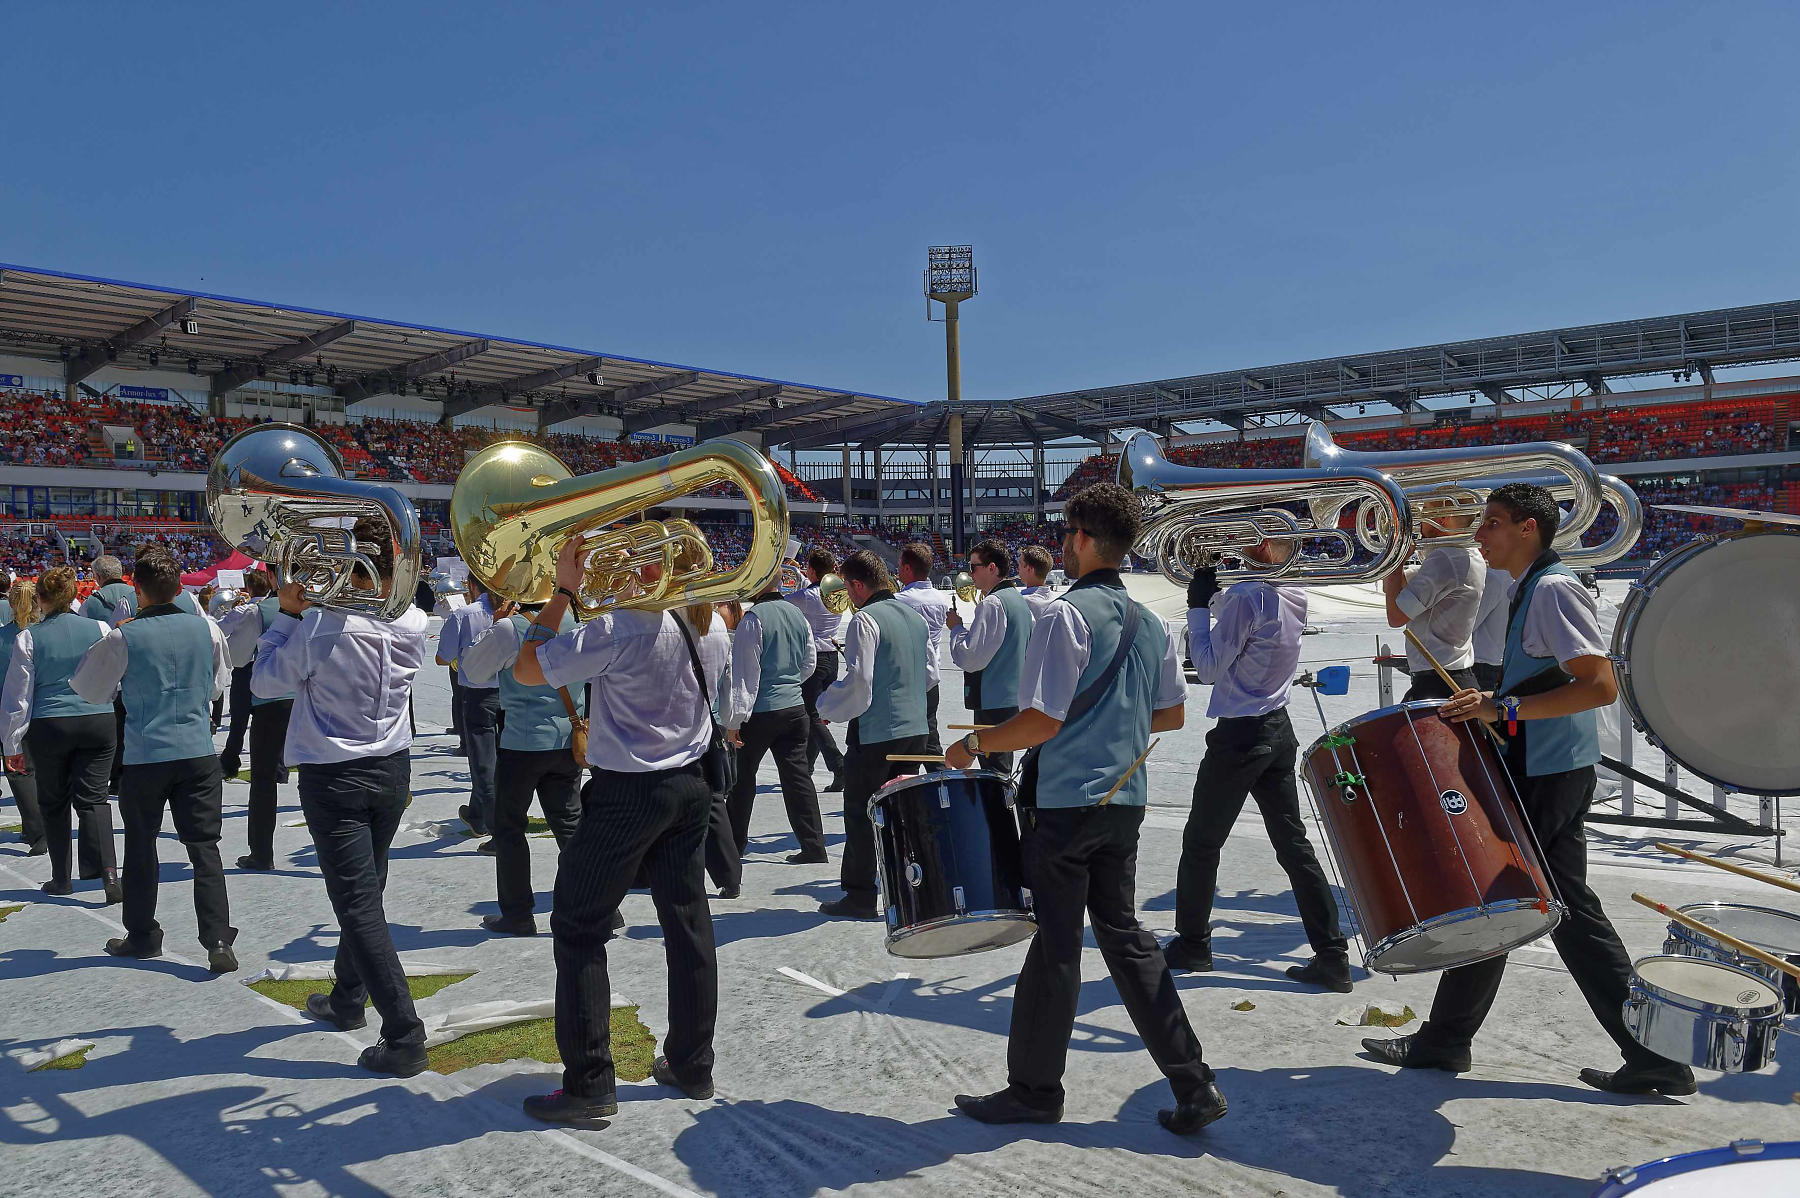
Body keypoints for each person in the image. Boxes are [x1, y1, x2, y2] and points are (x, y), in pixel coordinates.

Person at [1365, 482, 1697, 1096]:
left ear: (1527, 529)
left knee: (1536, 901)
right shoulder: (1528, 588)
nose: (1479, 533)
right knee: (1517, 896)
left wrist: (1504, 709)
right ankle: (1449, 1041)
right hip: (1547, 764)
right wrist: (1494, 706)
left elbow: (1599, 686)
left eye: (1491, 523)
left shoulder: (1552, 588)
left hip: (1549, 769)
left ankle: (1652, 1053)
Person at [945, 483, 1223, 1134]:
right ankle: (1195, 1081)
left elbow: (1041, 720)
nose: (1064, 545)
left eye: (1068, 535)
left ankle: (1035, 1090)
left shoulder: (1064, 615)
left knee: (1057, 947)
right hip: (1123, 802)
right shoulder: (1150, 620)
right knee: (1126, 939)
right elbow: (1175, 713)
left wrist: (975, 743)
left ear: (1083, 540)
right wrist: (1114, 722)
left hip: (1066, 805)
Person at [512, 536, 719, 1124]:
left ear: (656, 565)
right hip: (690, 785)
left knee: (577, 926)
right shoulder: (710, 623)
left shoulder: (621, 628)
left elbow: (529, 669)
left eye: (637, 559)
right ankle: (691, 1063)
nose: (625, 568)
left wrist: (566, 591)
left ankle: (589, 1084)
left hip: (628, 791)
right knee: (688, 924)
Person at [253, 516, 432, 1077]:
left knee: (358, 905)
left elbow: (263, 682)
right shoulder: (413, 620)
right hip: (392, 767)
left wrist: (286, 612)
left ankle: (403, 1031)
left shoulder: (321, 626)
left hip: (335, 775)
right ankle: (348, 996)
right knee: (369, 891)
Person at [1163, 541, 1352, 992]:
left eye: (1250, 537)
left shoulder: (1248, 597)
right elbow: (1250, 625)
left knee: (1201, 843)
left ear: (1266, 544)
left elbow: (1207, 669)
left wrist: (1196, 610)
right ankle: (1331, 953)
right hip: (1277, 728)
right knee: (1293, 845)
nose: (1239, 543)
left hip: (1240, 735)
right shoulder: (1294, 594)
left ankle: (1192, 941)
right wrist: (1215, 599)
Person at [71, 549, 235, 972]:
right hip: (197, 751)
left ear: (137, 591)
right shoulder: (208, 630)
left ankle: (142, 934)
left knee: (142, 846)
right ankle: (218, 940)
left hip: (147, 754)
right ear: (179, 588)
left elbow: (90, 689)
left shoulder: (123, 636)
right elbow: (219, 686)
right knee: (204, 848)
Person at [459, 595, 585, 936]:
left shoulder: (508, 628)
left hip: (523, 741)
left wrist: (494, 625)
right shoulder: (576, 621)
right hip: (568, 737)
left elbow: (471, 669)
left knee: (508, 827)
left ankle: (517, 914)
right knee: (570, 824)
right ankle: (598, 904)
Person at [815, 550, 930, 919]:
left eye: (847, 588)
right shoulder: (913, 617)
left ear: (858, 585)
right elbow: (929, 675)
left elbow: (860, 684)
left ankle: (861, 894)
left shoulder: (865, 620)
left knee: (862, 815)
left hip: (878, 733)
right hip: (916, 729)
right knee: (905, 814)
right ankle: (913, 887)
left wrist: (827, 707)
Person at [726, 580, 827, 865]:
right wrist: (789, 685)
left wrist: (735, 719)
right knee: (798, 779)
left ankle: (735, 845)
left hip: (762, 711)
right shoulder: (798, 615)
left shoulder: (754, 619)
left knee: (742, 779)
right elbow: (809, 662)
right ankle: (813, 845)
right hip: (794, 708)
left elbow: (747, 675)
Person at [217, 570, 294, 870]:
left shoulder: (256, 611)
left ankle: (262, 852)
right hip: (306, 698)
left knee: (262, 780)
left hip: (270, 698)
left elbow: (238, 658)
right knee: (316, 774)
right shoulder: (317, 608)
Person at [947, 539, 1032, 774]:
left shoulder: (993, 604)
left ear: (992, 568)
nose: (970, 574)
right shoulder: (1017, 599)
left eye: (974, 567)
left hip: (994, 700)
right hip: (1013, 697)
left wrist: (956, 629)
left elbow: (972, 657)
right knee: (1001, 766)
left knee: (993, 772)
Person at [1381, 506, 1485, 700]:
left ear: (1443, 518)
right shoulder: (1466, 553)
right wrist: (1395, 563)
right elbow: (1396, 586)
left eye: (1425, 514)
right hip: (1450, 675)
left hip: (1437, 679)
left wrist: (1395, 559)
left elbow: (1395, 616)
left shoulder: (1446, 558)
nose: (1419, 521)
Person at [438, 575, 499, 839]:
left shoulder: (464, 615)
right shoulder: (515, 611)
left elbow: (443, 657)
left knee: (483, 762)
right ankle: (476, 814)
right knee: (502, 758)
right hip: (510, 692)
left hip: (478, 694)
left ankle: (494, 827)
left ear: (473, 586)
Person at [786, 547, 847, 792]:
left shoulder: (808, 596)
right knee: (819, 715)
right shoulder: (836, 594)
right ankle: (807, 766)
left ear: (811, 570)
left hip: (813, 658)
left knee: (811, 715)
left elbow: (783, 602)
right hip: (832, 656)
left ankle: (837, 764)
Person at [0, 580, 48, 860]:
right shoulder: (44, 633)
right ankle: (45, 826)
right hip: (46, 712)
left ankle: (36, 829)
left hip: (11, 713)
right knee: (42, 772)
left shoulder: (8, 637)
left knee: (19, 772)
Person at [893, 542, 952, 762]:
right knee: (930, 736)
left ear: (908, 569)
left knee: (904, 743)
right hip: (931, 676)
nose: (898, 571)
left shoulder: (899, 601)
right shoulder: (940, 598)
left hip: (907, 680)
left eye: (900, 566)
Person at [702, 601, 743, 897]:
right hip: (710, 722)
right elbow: (729, 682)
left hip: (681, 725)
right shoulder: (718, 629)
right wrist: (730, 724)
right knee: (713, 800)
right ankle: (729, 875)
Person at [216, 571, 275, 778]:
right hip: (270, 667)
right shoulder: (277, 608)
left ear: (249, 588)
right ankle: (278, 764)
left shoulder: (245, 610)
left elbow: (219, 629)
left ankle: (230, 760)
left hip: (246, 668)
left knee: (239, 720)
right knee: (268, 720)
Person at [1470, 563, 1510, 692]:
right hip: (1495, 661)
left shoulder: (1493, 577)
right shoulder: (1510, 576)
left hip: (1480, 665)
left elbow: (1467, 625)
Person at [1018, 545, 1059, 622]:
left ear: (1029, 569)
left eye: (1020, 563)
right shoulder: (1057, 600)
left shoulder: (1021, 602)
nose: (1018, 568)